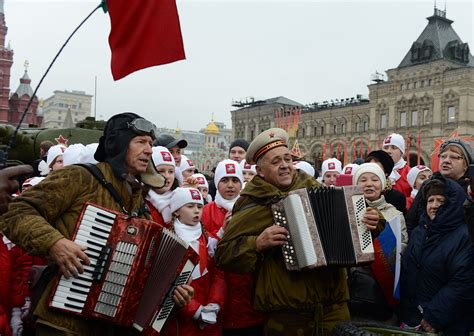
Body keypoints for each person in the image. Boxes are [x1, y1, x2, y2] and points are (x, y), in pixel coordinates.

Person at [0, 113, 194, 335]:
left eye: (150, 143)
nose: (149, 149)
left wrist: (171, 292)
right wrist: (55, 243)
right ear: (118, 144)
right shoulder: (79, 177)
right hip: (63, 322)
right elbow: (16, 212)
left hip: (110, 326)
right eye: (140, 142)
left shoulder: (138, 200)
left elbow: (148, 268)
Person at [215, 128, 380, 335]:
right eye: (275, 162)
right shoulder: (252, 203)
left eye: (287, 159)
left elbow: (359, 227)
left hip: (334, 309)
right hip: (286, 317)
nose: (284, 166)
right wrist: (256, 243)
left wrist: (373, 220)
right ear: (260, 171)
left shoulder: (319, 190)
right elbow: (224, 255)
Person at [399, 176, 474, 335]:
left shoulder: (464, 235)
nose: (434, 205)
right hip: (412, 320)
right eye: (430, 200)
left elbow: (463, 282)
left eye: (440, 200)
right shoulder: (420, 231)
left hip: (445, 323)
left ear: (453, 203)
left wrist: (434, 316)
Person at [161, 187, 226, 336]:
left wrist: (215, 303)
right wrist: (195, 310)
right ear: (176, 211)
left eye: (199, 206)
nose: (196, 211)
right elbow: (167, 286)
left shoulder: (208, 239)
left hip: (209, 317)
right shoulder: (168, 240)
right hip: (179, 321)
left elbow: (219, 274)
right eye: (190, 206)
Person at [350, 164, 408, 323]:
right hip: (353, 284)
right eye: (363, 180)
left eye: (374, 179)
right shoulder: (347, 209)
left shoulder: (395, 213)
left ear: (382, 185)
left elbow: (402, 245)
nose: (369, 183)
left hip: (381, 283)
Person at [407, 138, 473, 235]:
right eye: (443, 156)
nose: (446, 161)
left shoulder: (470, 190)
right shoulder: (427, 185)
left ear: (465, 165)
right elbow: (411, 222)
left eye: (454, 157)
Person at [366, 150, 407, 215]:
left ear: (386, 173)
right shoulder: (357, 194)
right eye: (369, 168)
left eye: (377, 169)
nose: (372, 171)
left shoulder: (396, 198)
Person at [146, 146, 178, 227]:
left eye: (171, 171)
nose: (167, 176)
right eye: (161, 171)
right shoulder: (140, 201)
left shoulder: (179, 202)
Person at [382, 133, 411, 197]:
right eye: (386, 148)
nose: (388, 151)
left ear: (401, 152)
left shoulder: (409, 173)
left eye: (394, 148)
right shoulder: (377, 170)